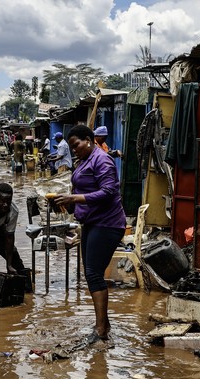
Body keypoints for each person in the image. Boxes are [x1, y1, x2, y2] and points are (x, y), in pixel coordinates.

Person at [53, 124, 126, 345]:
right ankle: (104, 322)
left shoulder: (102, 160)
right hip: (91, 223)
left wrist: (73, 199)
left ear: (89, 139)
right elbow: (82, 190)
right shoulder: (84, 160)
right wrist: (64, 203)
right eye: (72, 147)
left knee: (94, 274)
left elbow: (108, 191)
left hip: (107, 224)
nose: (74, 150)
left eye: (76, 145)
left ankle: (101, 329)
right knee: (90, 273)